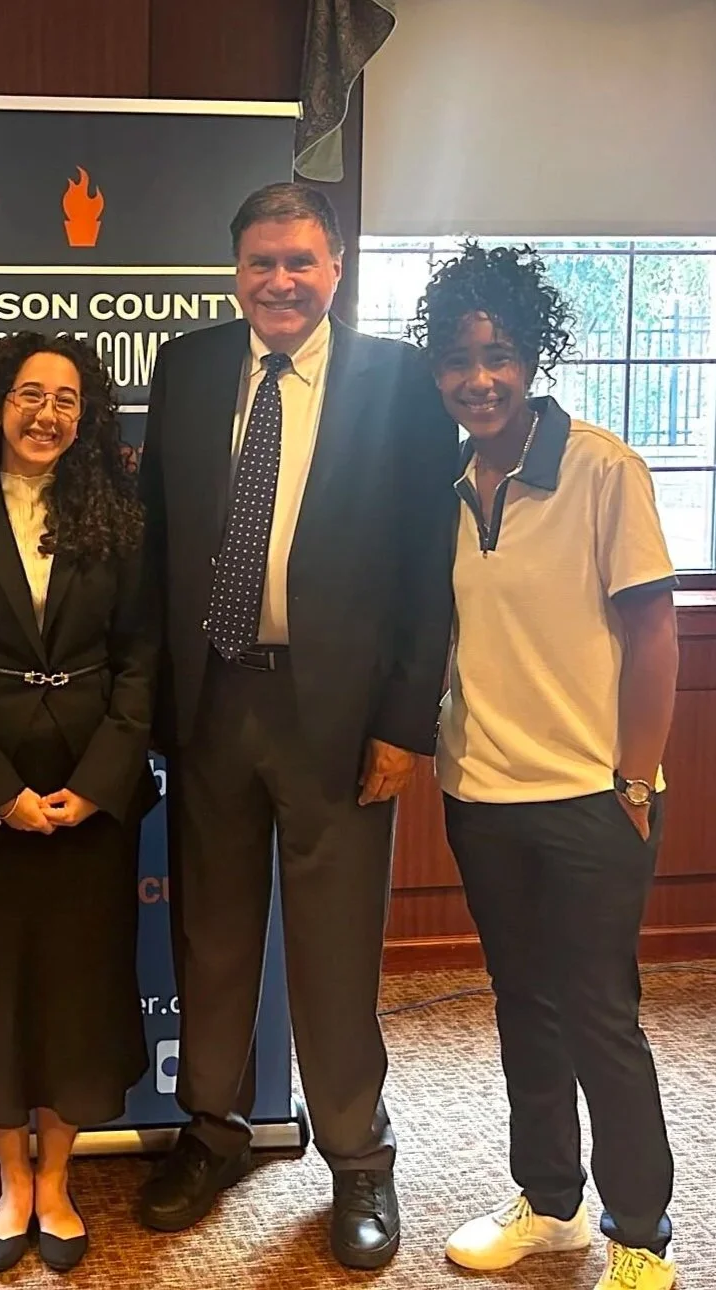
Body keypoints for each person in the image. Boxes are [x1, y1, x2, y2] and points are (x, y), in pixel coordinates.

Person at [136, 181, 457, 1268]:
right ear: (235, 270)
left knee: (330, 951)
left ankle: (359, 1161)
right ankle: (210, 1132)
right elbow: (152, 548)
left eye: (300, 262)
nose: (279, 281)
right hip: (212, 701)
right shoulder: (184, 370)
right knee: (211, 939)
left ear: (335, 270)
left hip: (339, 715)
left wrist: (404, 722)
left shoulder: (396, 384)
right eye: (261, 262)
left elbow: (426, 565)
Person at [412, 244, 681, 1290]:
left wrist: (632, 781)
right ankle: (549, 1202)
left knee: (597, 1013)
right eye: (458, 358)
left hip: (587, 801)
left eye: (499, 355)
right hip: (481, 796)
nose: (477, 378)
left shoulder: (601, 469)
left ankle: (640, 1236)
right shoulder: (445, 481)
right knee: (519, 1002)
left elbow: (652, 633)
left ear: (532, 359)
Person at [0, 332, 156, 1275]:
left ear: (86, 416)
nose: (46, 414)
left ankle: (59, 1180)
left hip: (91, 788)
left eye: (66, 399)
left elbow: (140, 661)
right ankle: (11, 1180)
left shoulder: (114, 512)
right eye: (27, 394)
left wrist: (96, 785)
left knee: (76, 992)